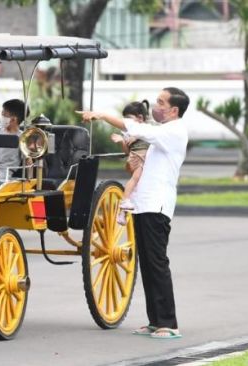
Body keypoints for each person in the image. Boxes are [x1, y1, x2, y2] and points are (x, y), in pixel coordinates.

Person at [76, 87, 190, 340]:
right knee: (148, 264)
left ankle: (168, 323)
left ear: (174, 110)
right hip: (144, 203)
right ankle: (155, 321)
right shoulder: (163, 133)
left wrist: (102, 116)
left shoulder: (173, 131)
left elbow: (137, 130)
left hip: (156, 206)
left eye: (161, 103)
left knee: (157, 263)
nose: (155, 107)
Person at [110, 100, 156, 225]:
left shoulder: (147, 127)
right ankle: (124, 201)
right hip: (137, 157)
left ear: (140, 118)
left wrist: (135, 136)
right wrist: (122, 141)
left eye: (129, 119)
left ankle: (122, 213)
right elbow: (126, 151)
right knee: (134, 179)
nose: (126, 122)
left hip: (142, 157)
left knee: (136, 189)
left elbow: (148, 132)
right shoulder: (128, 131)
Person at [0, 99, 26, 179]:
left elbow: (27, 160)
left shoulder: (22, 137)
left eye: (4, 115)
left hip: (5, 172)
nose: (2, 117)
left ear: (14, 119)